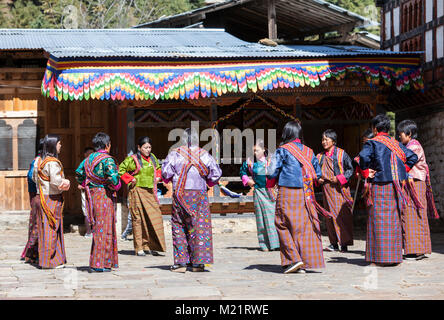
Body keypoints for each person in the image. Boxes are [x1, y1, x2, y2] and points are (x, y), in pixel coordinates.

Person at [267, 121, 334, 274]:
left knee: (282, 223)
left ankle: (293, 260)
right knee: (301, 227)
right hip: (306, 194)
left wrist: (270, 183)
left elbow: (272, 172)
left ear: (286, 134)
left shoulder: (282, 150)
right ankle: (304, 262)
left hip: (288, 192)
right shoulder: (310, 151)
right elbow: (317, 175)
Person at [359, 114, 418, 267]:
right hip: (396, 186)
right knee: (393, 219)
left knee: (378, 220)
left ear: (374, 128)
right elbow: (412, 157)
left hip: (379, 185)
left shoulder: (372, 143)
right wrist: (400, 171)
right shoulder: (396, 143)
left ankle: (380, 257)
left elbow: (362, 159)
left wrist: (366, 172)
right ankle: (394, 257)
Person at [162, 128, 222, 273]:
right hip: (199, 195)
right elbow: (215, 174)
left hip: (180, 194)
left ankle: (181, 263)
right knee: (199, 226)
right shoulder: (204, 154)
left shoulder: (175, 154)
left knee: (179, 225)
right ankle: (198, 264)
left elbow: (165, 173)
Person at [75, 133, 121, 273]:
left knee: (98, 227)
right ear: (107, 145)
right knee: (104, 228)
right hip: (104, 195)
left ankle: (103, 262)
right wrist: (114, 186)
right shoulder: (107, 160)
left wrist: (88, 183)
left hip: (92, 196)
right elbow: (115, 181)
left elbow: (78, 174)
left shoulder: (88, 159)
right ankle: (99, 263)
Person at [397, 119, 439, 261]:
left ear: (409, 134)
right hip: (411, 184)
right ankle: (413, 249)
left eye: (401, 134)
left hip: (415, 184)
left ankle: (417, 250)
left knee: (414, 215)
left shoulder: (414, 147)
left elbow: (405, 160)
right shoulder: (410, 145)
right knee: (410, 215)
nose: (399, 137)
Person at [119, 136, 166, 256]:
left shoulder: (153, 158)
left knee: (153, 218)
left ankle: (149, 245)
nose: (148, 150)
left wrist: (158, 176)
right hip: (137, 191)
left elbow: (159, 169)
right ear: (139, 148)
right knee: (138, 219)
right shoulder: (132, 159)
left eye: (149, 147)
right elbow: (121, 170)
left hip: (150, 193)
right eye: (145, 147)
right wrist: (131, 179)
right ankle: (139, 247)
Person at [32, 134, 70, 269]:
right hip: (52, 198)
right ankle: (48, 262)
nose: (61, 146)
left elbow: (34, 178)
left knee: (46, 229)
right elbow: (56, 181)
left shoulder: (39, 161)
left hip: (42, 197)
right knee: (51, 229)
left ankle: (52, 260)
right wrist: (66, 182)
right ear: (54, 145)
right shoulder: (52, 162)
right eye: (59, 143)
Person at [317, 129, 354, 253]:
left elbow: (350, 170)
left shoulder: (342, 154)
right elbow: (315, 172)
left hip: (339, 190)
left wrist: (338, 178)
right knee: (329, 217)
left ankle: (344, 243)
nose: (324, 142)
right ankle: (333, 243)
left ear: (333, 141)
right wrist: (318, 179)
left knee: (341, 216)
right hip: (326, 190)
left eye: (326, 139)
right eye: (323, 139)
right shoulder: (320, 156)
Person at [240, 139, 279, 252]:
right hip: (258, 191)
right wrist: (247, 180)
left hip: (271, 192)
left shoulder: (271, 161)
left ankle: (276, 243)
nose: (255, 153)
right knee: (260, 218)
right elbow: (242, 172)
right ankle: (264, 244)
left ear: (264, 150)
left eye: (257, 150)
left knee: (273, 218)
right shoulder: (250, 162)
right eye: (254, 151)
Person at [21, 138, 44, 264]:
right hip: (38, 196)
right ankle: (31, 253)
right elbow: (31, 177)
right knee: (37, 225)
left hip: (37, 195)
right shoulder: (38, 161)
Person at [79, 147, 94, 238]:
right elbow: (79, 174)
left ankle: (95, 230)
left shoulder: (96, 162)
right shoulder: (83, 163)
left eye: (92, 153)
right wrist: (81, 184)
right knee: (86, 210)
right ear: (85, 155)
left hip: (95, 189)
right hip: (86, 189)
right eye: (88, 153)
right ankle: (88, 231)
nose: (90, 155)